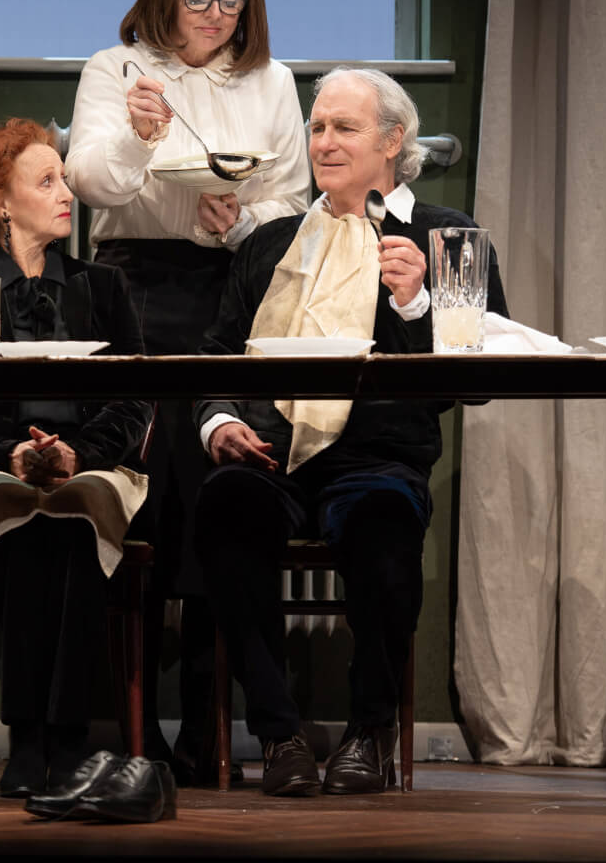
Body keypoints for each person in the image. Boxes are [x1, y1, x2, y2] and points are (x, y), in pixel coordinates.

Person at [192, 68, 507, 796]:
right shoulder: (269, 243)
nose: (324, 142)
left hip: (379, 455)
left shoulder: (447, 236)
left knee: (384, 526)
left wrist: (415, 301)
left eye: (344, 128)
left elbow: (479, 378)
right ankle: (278, 736)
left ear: (394, 141)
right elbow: (216, 357)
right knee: (225, 507)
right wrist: (220, 420)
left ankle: (370, 732)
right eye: (318, 126)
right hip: (270, 452)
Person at [63, 0, 311, 781]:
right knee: (139, 508)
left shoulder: (272, 80)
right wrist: (137, 137)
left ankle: (212, 730)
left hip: (232, 292)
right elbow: (91, 183)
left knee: (218, 505)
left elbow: (291, 199)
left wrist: (239, 219)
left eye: (231, 0)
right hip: (132, 292)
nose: (214, 15)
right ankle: (133, 730)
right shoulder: (116, 67)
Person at [0, 119, 152, 797]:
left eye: (64, 179)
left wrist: (82, 453)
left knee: (72, 519)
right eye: (45, 181)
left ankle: (70, 737)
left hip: (91, 464)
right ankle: (28, 736)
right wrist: (9, 454)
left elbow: (136, 401)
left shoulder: (103, 289)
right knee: (24, 520)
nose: (65, 194)